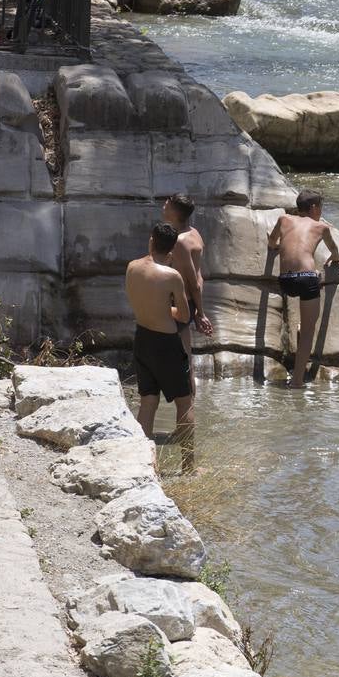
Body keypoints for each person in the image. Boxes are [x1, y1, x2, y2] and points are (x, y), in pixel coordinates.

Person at [125, 222, 195, 472]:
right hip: (166, 343)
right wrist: (169, 309)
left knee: (148, 402)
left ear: (151, 240)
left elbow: (138, 299)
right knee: (184, 403)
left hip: (142, 339)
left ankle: (142, 466)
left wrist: (159, 308)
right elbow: (184, 316)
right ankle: (189, 467)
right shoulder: (171, 276)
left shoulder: (132, 267)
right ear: (172, 248)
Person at [267, 190, 339, 388]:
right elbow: (334, 251)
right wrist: (335, 260)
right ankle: (297, 381)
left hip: (286, 281)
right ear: (315, 208)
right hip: (307, 280)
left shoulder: (284, 219)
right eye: (321, 208)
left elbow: (272, 241)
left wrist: (274, 247)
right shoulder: (321, 226)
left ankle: (301, 329)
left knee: (305, 321)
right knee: (309, 331)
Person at [162, 194, 214, 398]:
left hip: (180, 302)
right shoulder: (194, 232)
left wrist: (201, 313)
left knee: (183, 362)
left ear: (175, 212)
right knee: (185, 359)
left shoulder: (180, 241)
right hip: (187, 301)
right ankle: (187, 408)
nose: (164, 205)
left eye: (168, 203)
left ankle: (187, 412)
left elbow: (193, 281)